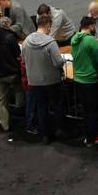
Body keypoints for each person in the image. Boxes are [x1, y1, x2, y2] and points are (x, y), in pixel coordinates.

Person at [23, 13, 66, 144]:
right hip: (51, 80)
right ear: (47, 25)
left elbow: (24, 58)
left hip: (34, 81)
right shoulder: (50, 43)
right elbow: (58, 62)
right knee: (57, 105)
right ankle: (60, 130)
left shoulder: (26, 41)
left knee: (41, 107)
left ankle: (45, 135)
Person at [71, 16, 98, 148]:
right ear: (91, 26)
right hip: (91, 80)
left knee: (85, 110)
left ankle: (87, 136)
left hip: (78, 80)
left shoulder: (74, 39)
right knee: (93, 111)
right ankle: (93, 137)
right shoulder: (92, 41)